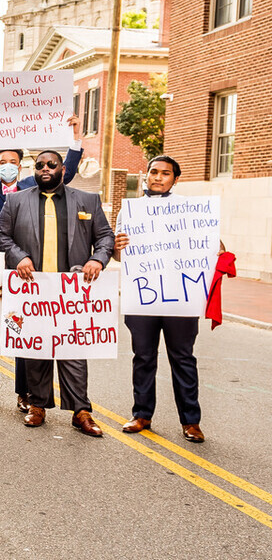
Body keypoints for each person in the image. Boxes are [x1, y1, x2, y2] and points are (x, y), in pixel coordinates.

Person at [0, 104, 83, 413]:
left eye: (13, 161)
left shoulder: (32, 185)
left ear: (22, 165)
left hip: (24, 265)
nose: (8, 166)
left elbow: (66, 171)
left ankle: (25, 393)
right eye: (3, 162)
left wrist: (75, 137)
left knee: (24, 328)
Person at [0, 149, 114, 437]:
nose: (45, 168)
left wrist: (97, 259)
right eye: (39, 165)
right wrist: (18, 256)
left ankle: (81, 411)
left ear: (62, 169)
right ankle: (38, 405)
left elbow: (105, 236)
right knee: (36, 350)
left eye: (51, 164)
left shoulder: (87, 200)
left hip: (72, 293)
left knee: (74, 352)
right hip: (33, 290)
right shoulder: (16, 201)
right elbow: (0, 236)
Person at [116, 155, 207, 443]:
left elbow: (208, 244)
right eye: (153, 171)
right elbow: (119, 255)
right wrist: (119, 247)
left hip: (180, 296)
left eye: (165, 173)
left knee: (183, 358)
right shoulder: (130, 211)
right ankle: (142, 414)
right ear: (146, 175)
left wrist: (214, 245)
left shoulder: (190, 208)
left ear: (175, 179)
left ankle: (191, 421)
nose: (158, 177)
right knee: (143, 357)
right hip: (143, 295)